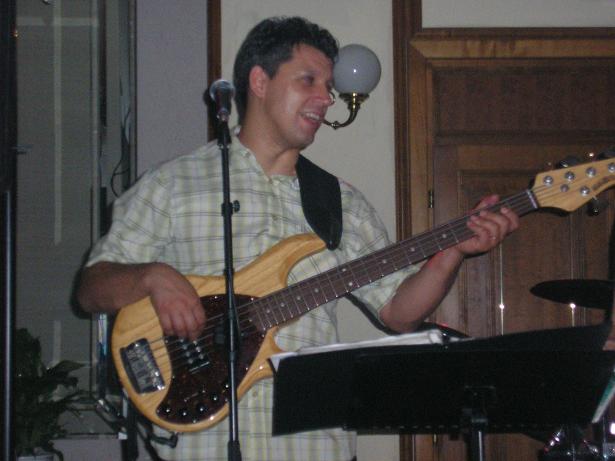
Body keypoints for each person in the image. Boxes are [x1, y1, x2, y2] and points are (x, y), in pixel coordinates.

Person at [76, 16, 519, 461]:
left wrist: (452, 251)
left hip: (313, 445)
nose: (325, 98)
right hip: (201, 446)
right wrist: (153, 277)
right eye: (308, 80)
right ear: (259, 81)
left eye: (328, 87)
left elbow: (398, 313)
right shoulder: (171, 184)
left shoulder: (341, 203)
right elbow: (92, 289)